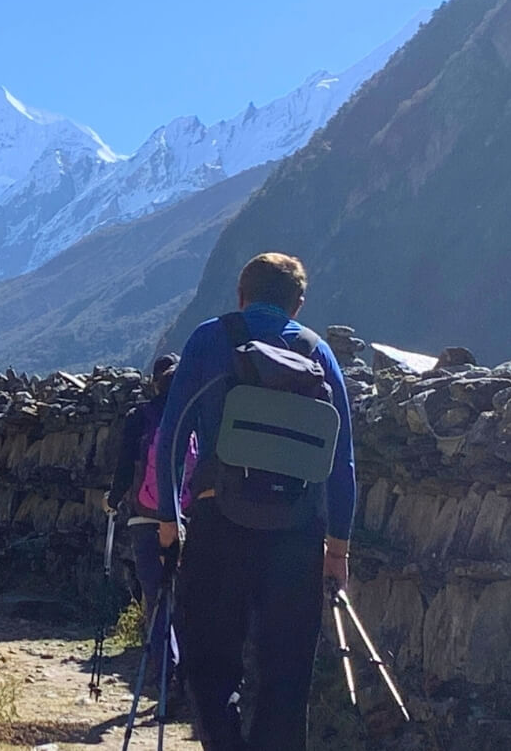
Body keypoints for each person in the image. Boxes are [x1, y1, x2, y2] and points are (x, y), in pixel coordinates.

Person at [155, 253, 355, 750]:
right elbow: (343, 461)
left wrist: (168, 522)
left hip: (217, 521)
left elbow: (171, 435)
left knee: (206, 663)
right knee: (286, 677)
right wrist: (337, 549)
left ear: (241, 296)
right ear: (298, 303)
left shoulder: (208, 339)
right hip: (296, 533)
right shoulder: (319, 353)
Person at [104, 354, 190, 691]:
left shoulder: (139, 416)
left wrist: (112, 501)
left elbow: (125, 467)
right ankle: (186, 675)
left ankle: (163, 669)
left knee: (155, 596)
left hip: (144, 517)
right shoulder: (191, 414)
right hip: (184, 520)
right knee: (183, 595)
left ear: (153, 381)